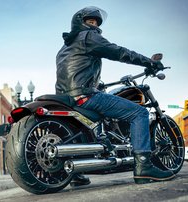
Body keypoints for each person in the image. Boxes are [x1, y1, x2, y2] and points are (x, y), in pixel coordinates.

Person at [55, 6, 175, 185]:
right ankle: (144, 167)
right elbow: (118, 52)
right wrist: (149, 62)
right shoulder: (88, 36)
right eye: (90, 21)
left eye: (96, 22)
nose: (94, 25)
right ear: (80, 23)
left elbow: (77, 69)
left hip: (68, 98)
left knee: (83, 129)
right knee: (139, 113)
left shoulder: (64, 48)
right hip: (85, 95)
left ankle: (75, 174)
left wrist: (97, 84)